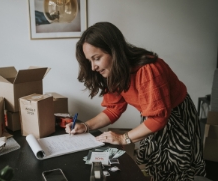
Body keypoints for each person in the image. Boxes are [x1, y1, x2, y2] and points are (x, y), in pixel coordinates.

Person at [65, 22, 206, 180]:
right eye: (90, 61)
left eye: (96, 58)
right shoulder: (115, 72)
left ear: (114, 50)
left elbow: (159, 118)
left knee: (175, 171)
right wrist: (85, 126)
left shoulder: (148, 69)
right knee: (156, 166)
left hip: (176, 117)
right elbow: (113, 109)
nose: (93, 67)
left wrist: (122, 138)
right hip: (153, 117)